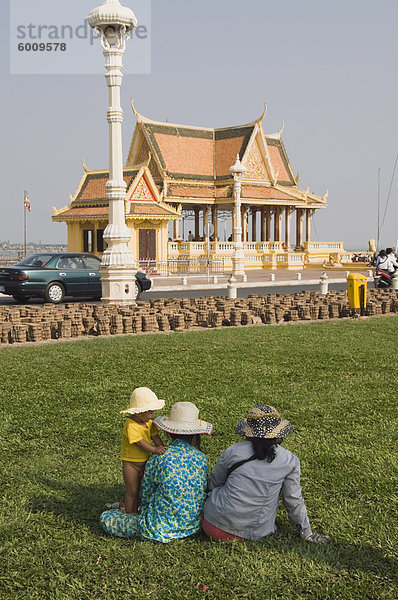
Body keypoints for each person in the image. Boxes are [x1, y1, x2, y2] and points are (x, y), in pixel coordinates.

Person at [202, 405, 330, 544]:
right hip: (254, 533)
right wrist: (306, 532)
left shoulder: (232, 451)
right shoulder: (289, 460)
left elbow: (214, 484)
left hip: (213, 526)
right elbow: (293, 500)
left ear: (248, 431)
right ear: (277, 433)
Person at [100, 402, 213, 543]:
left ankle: (124, 510)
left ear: (168, 431)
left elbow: (147, 493)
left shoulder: (159, 458)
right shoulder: (201, 458)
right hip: (192, 525)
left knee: (106, 518)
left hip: (158, 526)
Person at [119, 387, 166, 514]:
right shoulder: (131, 425)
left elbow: (155, 436)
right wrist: (155, 449)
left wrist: (162, 447)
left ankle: (136, 509)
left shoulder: (149, 422)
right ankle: (129, 514)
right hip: (131, 464)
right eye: (150, 412)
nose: (153, 415)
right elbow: (140, 443)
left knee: (141, 489)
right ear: (139, 412)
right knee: (132, 491)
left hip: (144, 461)